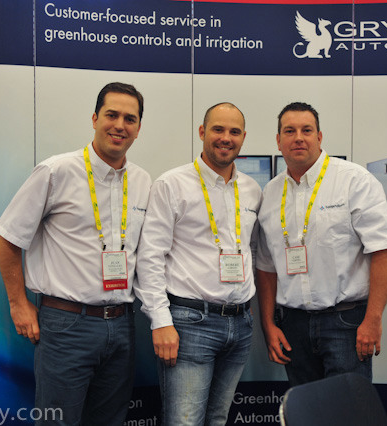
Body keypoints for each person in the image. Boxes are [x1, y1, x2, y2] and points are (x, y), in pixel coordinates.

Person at [0, 82, 150, 425]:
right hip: (67, 325)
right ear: (95, 119)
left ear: (139, 128)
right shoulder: (56, 171)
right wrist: (18, 303)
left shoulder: (142, 181)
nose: (120, 125)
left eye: (130, 119)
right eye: (111, 115)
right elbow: (7, 235)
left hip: (122, 325)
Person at [256, 102, 387, 387]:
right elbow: (266, 266)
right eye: (290, 131)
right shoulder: (271, 193)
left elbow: (384, 250)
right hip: (293, 325)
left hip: (346, 323)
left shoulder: (353, 180)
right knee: (307, 406)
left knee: (346, 406)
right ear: (278, 140)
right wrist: (268, 324)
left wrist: (373, 319)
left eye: (307, 130)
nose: (298, 138)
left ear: (319, 137)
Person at [135, 102, 262, 425]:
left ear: (243, 137)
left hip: (240, 323)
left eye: (234, 131)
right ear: (202, 132)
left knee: (218, 418)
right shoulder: (172, 184)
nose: (226, 138)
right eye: (218, 129)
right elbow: (150, 257)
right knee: (184, 421)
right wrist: (160, 321)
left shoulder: (251, 190)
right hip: (191, 323)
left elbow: (252, 249)